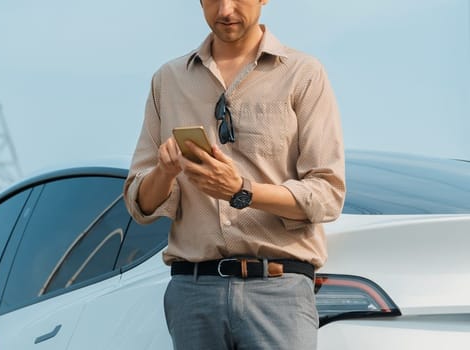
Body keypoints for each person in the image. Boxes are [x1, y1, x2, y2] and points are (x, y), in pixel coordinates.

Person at [123, 0, 345, 349]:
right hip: (193, 295)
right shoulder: (168, 80)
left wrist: (241, 190)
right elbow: (140, 204)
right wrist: (164, 173)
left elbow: (328, 194)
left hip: (278, 293)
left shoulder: (303, 74)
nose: (225, 10)